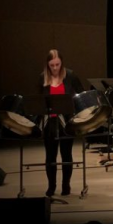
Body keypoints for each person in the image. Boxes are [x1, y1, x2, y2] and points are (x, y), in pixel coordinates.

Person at [39, 49, 84, 197]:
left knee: (66, 154)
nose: (55, 68)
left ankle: (66, 185)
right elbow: (39, 101)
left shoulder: (70, 75)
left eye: (57, 64)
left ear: (61, 63)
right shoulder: (42, 78)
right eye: (52, 65)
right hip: (50, 122)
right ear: (47, 65)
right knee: (50, 156)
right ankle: (51, 186)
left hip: (66, 121)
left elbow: (80, 95)